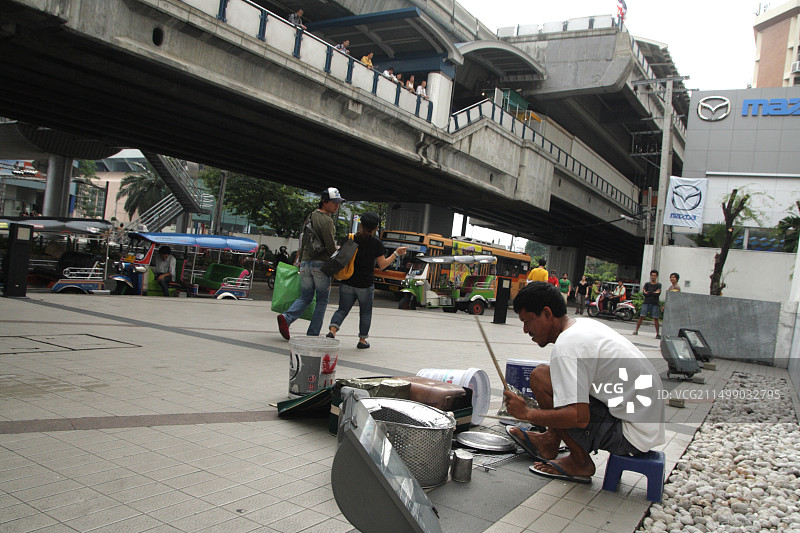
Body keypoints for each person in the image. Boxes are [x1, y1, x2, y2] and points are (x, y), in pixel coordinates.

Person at [503, 282, 665, 483]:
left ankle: (580, 462)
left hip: (631, 435)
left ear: (546, 313)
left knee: (546, 383)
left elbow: (578, 418)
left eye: (527, 321)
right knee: (542, 375)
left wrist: (527, 413)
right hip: (644, 424)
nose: (526, 330)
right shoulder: (581, 326)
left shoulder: (567, 345)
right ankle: (550, 440)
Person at [326, 213, 408, 349]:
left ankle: (332, 331)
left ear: (361, 224)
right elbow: (382, 265)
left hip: (347, 281)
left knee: (342, 310)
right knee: (365, 313)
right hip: (365, 285)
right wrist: (396, 253)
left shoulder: (350, 238)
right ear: (375, 228)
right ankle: (362, 340)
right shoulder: (376, 244)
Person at [277, 187, 344, 340]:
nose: (336, 206)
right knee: (321, 300)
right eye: (334, 202)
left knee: (305, 297)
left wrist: (299, 260)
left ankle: (286, 318)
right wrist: (338, 254)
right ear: (325, 202)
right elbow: (329, 246)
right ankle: (313, 334)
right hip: (320, 265)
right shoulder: (327, 220)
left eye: (338, 203)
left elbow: (305, 241)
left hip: (306, 263)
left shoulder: (311, 216)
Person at [633, 270, 662, 338]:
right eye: (652, 275)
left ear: (656, 276)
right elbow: (644, 293)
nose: (653, 277)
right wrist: (652, 293)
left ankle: (657, 333)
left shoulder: (658, 285)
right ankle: (636, 330)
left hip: (655, 303)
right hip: (646, 302)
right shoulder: (647, 284)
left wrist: (650, 293)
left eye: (654, 275)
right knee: (641, 316)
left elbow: (657, 293)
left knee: (656, 318)